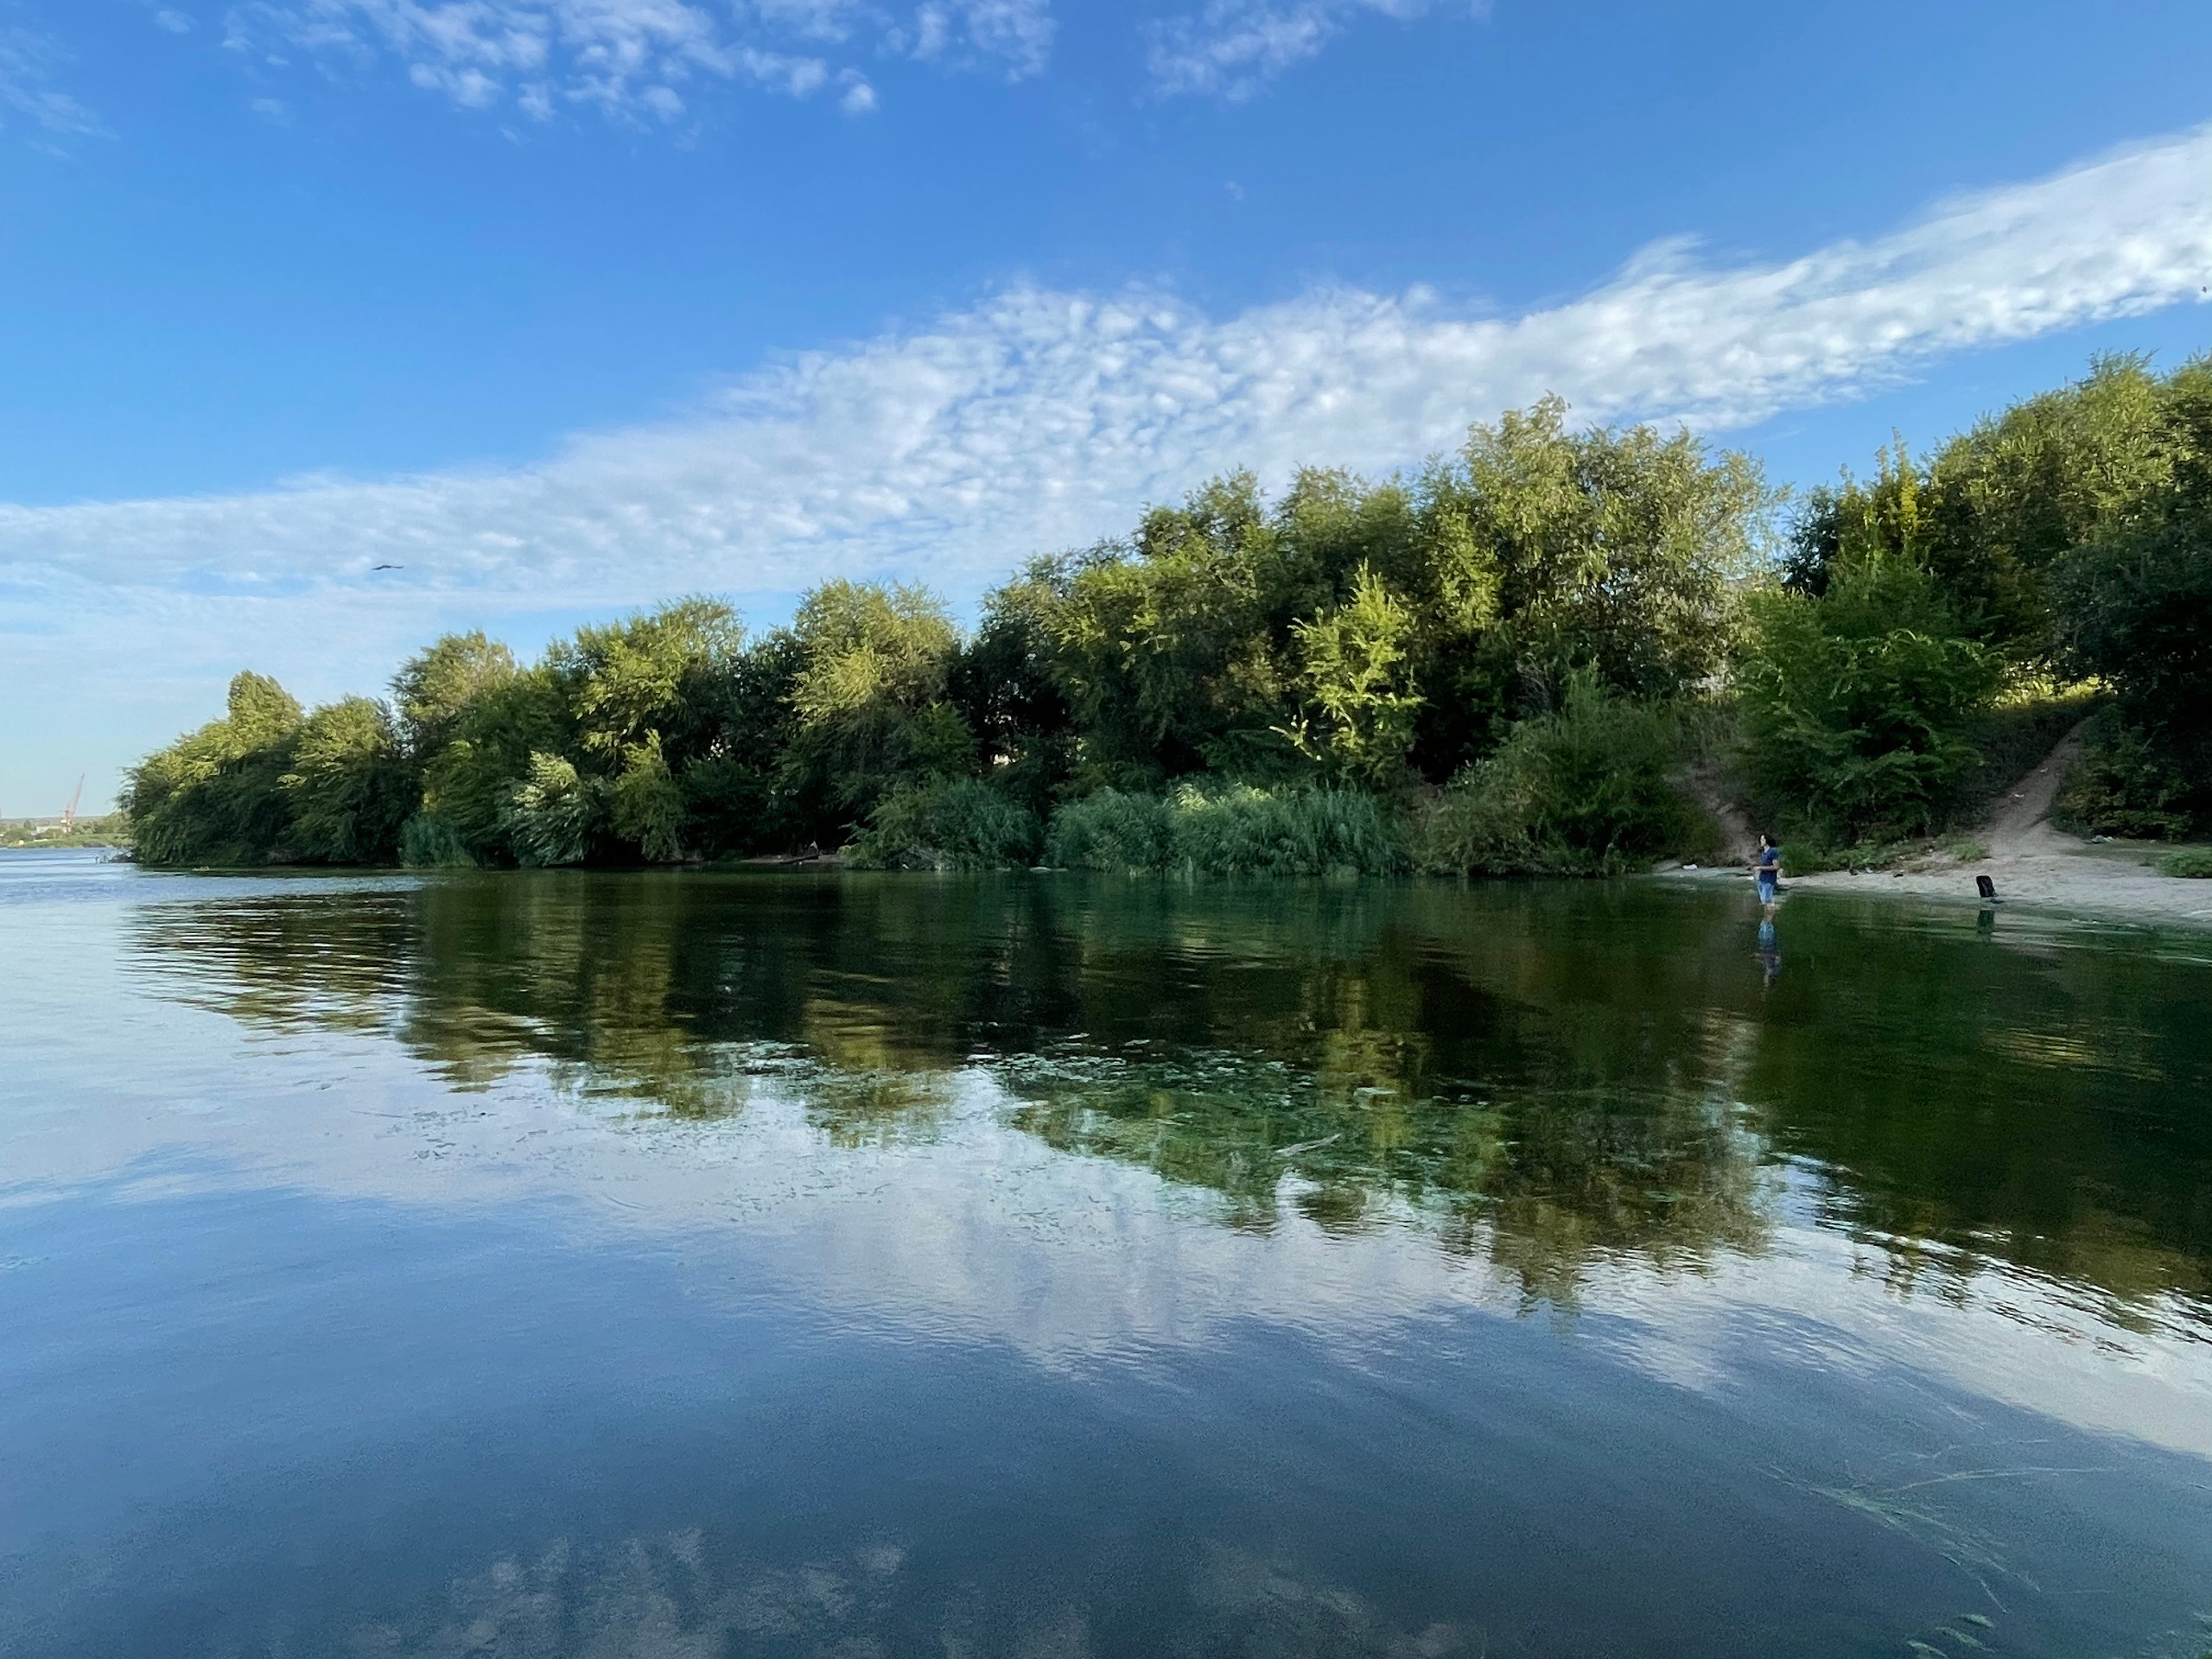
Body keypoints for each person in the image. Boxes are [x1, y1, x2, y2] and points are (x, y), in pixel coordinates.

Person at [1755, 832, 1781, 905]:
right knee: (1763, 902)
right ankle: (1766, 916)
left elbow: (1776, 867)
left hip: (1769, 880)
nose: (1761, 841)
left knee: (1767, 902)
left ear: (1767, 840)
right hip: (1762, 879)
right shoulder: (1763, 853)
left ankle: (1770, 916)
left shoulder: (1773, 851)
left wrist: (1761, 868)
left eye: (1762, 840)